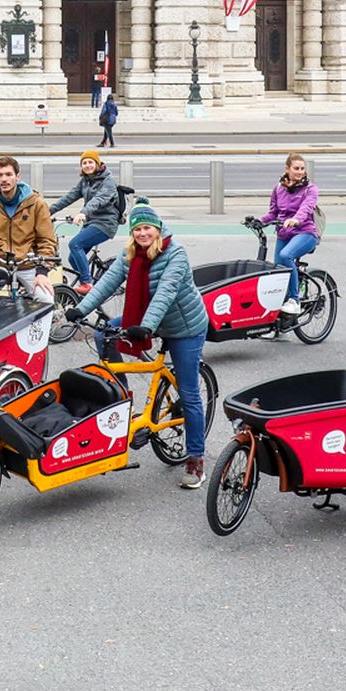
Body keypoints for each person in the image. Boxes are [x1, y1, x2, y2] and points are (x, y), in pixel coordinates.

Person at [67, 208, 211, 489]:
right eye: (137, 229)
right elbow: (107, 283)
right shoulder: (131, 253)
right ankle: (122, 398)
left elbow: (167, 292)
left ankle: (196, 458)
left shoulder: (176, 254)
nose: (143, 233)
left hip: (184, 327)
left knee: (189, 393)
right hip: (149, 318)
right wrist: (80, 308)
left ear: (158, 228)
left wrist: (146, 327)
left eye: (147, 228)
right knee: (102, 337)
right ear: (131, 233)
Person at [0, 156, 59, 301]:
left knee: (46, 299)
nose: (4, 179)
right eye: (0, 175)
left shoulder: (37, 204)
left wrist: (42, 272)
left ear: (18, 177)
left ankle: (43, 324)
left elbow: (47, 241)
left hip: (28, 266)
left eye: (8, 174)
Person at [49, 150, 124, 293]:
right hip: (91, 222)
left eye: (90, 162)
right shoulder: (85, 181)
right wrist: (48, 211)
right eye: (84, 163)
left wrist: (83, 213)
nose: (87, 165)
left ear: (97, 163)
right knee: (73, 258)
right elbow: (69, 197)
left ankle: (87, 283)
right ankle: (95, 287)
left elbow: (99, 200)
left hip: (105, 223)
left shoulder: (108, 181)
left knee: (75, 244)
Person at [262, 153, 322, 312]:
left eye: (302, 168)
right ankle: (275, 323)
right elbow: (273, 213)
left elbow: (306, 208)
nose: (300, 172)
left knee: (285, 255)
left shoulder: (310, 189)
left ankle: (294, 300)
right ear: (287, 169)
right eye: (296, 168)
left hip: (305, 232)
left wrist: (296, 219)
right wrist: (259, 221)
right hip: (284, 233)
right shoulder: (278, 188)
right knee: (277, 271)